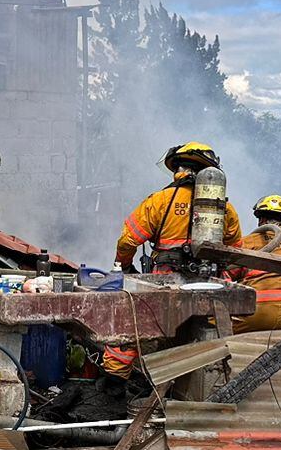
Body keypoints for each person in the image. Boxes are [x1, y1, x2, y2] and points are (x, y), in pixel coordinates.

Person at [104, 142, 244, 381]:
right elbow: (236, 252)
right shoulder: (224, 208)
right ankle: (215, 381)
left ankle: (113, 383)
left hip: (166, 280)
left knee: (131, 324)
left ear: (178, 169)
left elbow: (128, 241)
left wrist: (124, 266)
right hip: (210, 284)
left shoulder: (160, 200)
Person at [230, 195, 281, 333]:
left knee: (209, 322)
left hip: (254, 313)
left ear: (262, 219)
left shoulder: (251, 241)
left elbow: (228, 272)